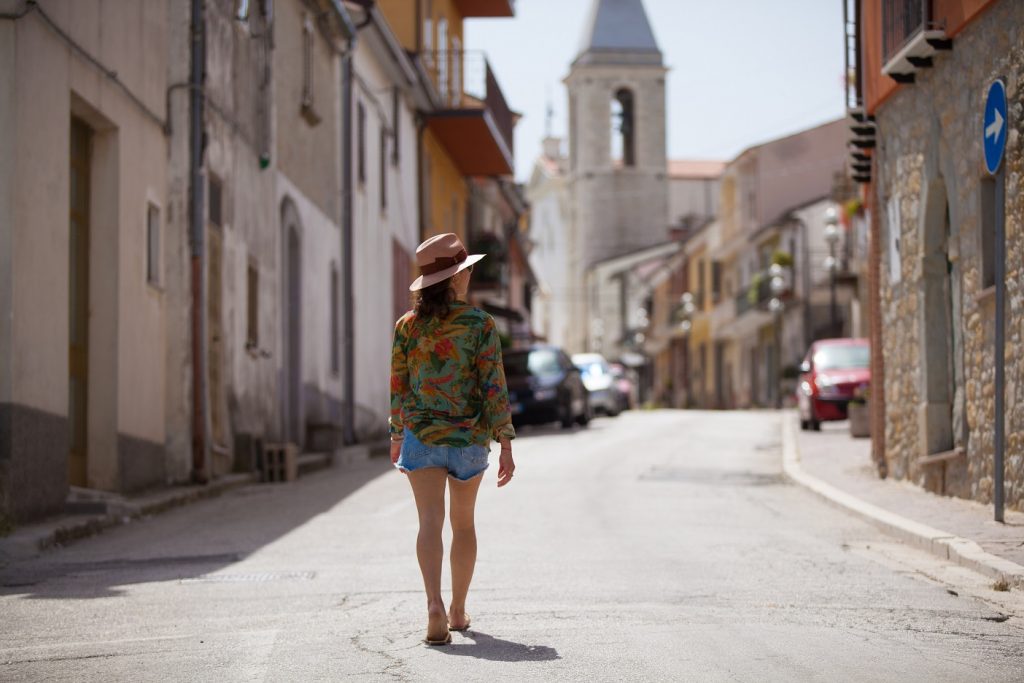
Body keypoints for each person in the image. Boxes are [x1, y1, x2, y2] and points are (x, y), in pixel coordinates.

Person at [389, 233, 516, 646]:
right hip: (467, 438)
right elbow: (493, 386)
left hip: (421, 435)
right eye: (467, 268)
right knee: (463, 524)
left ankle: (433, 606)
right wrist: (506, 442)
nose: (471, 273)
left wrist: (396, 433)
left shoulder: (407, 327)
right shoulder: (480, 324)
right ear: (457, 277)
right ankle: (459, 610)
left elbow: (398, 385)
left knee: (429, 522)